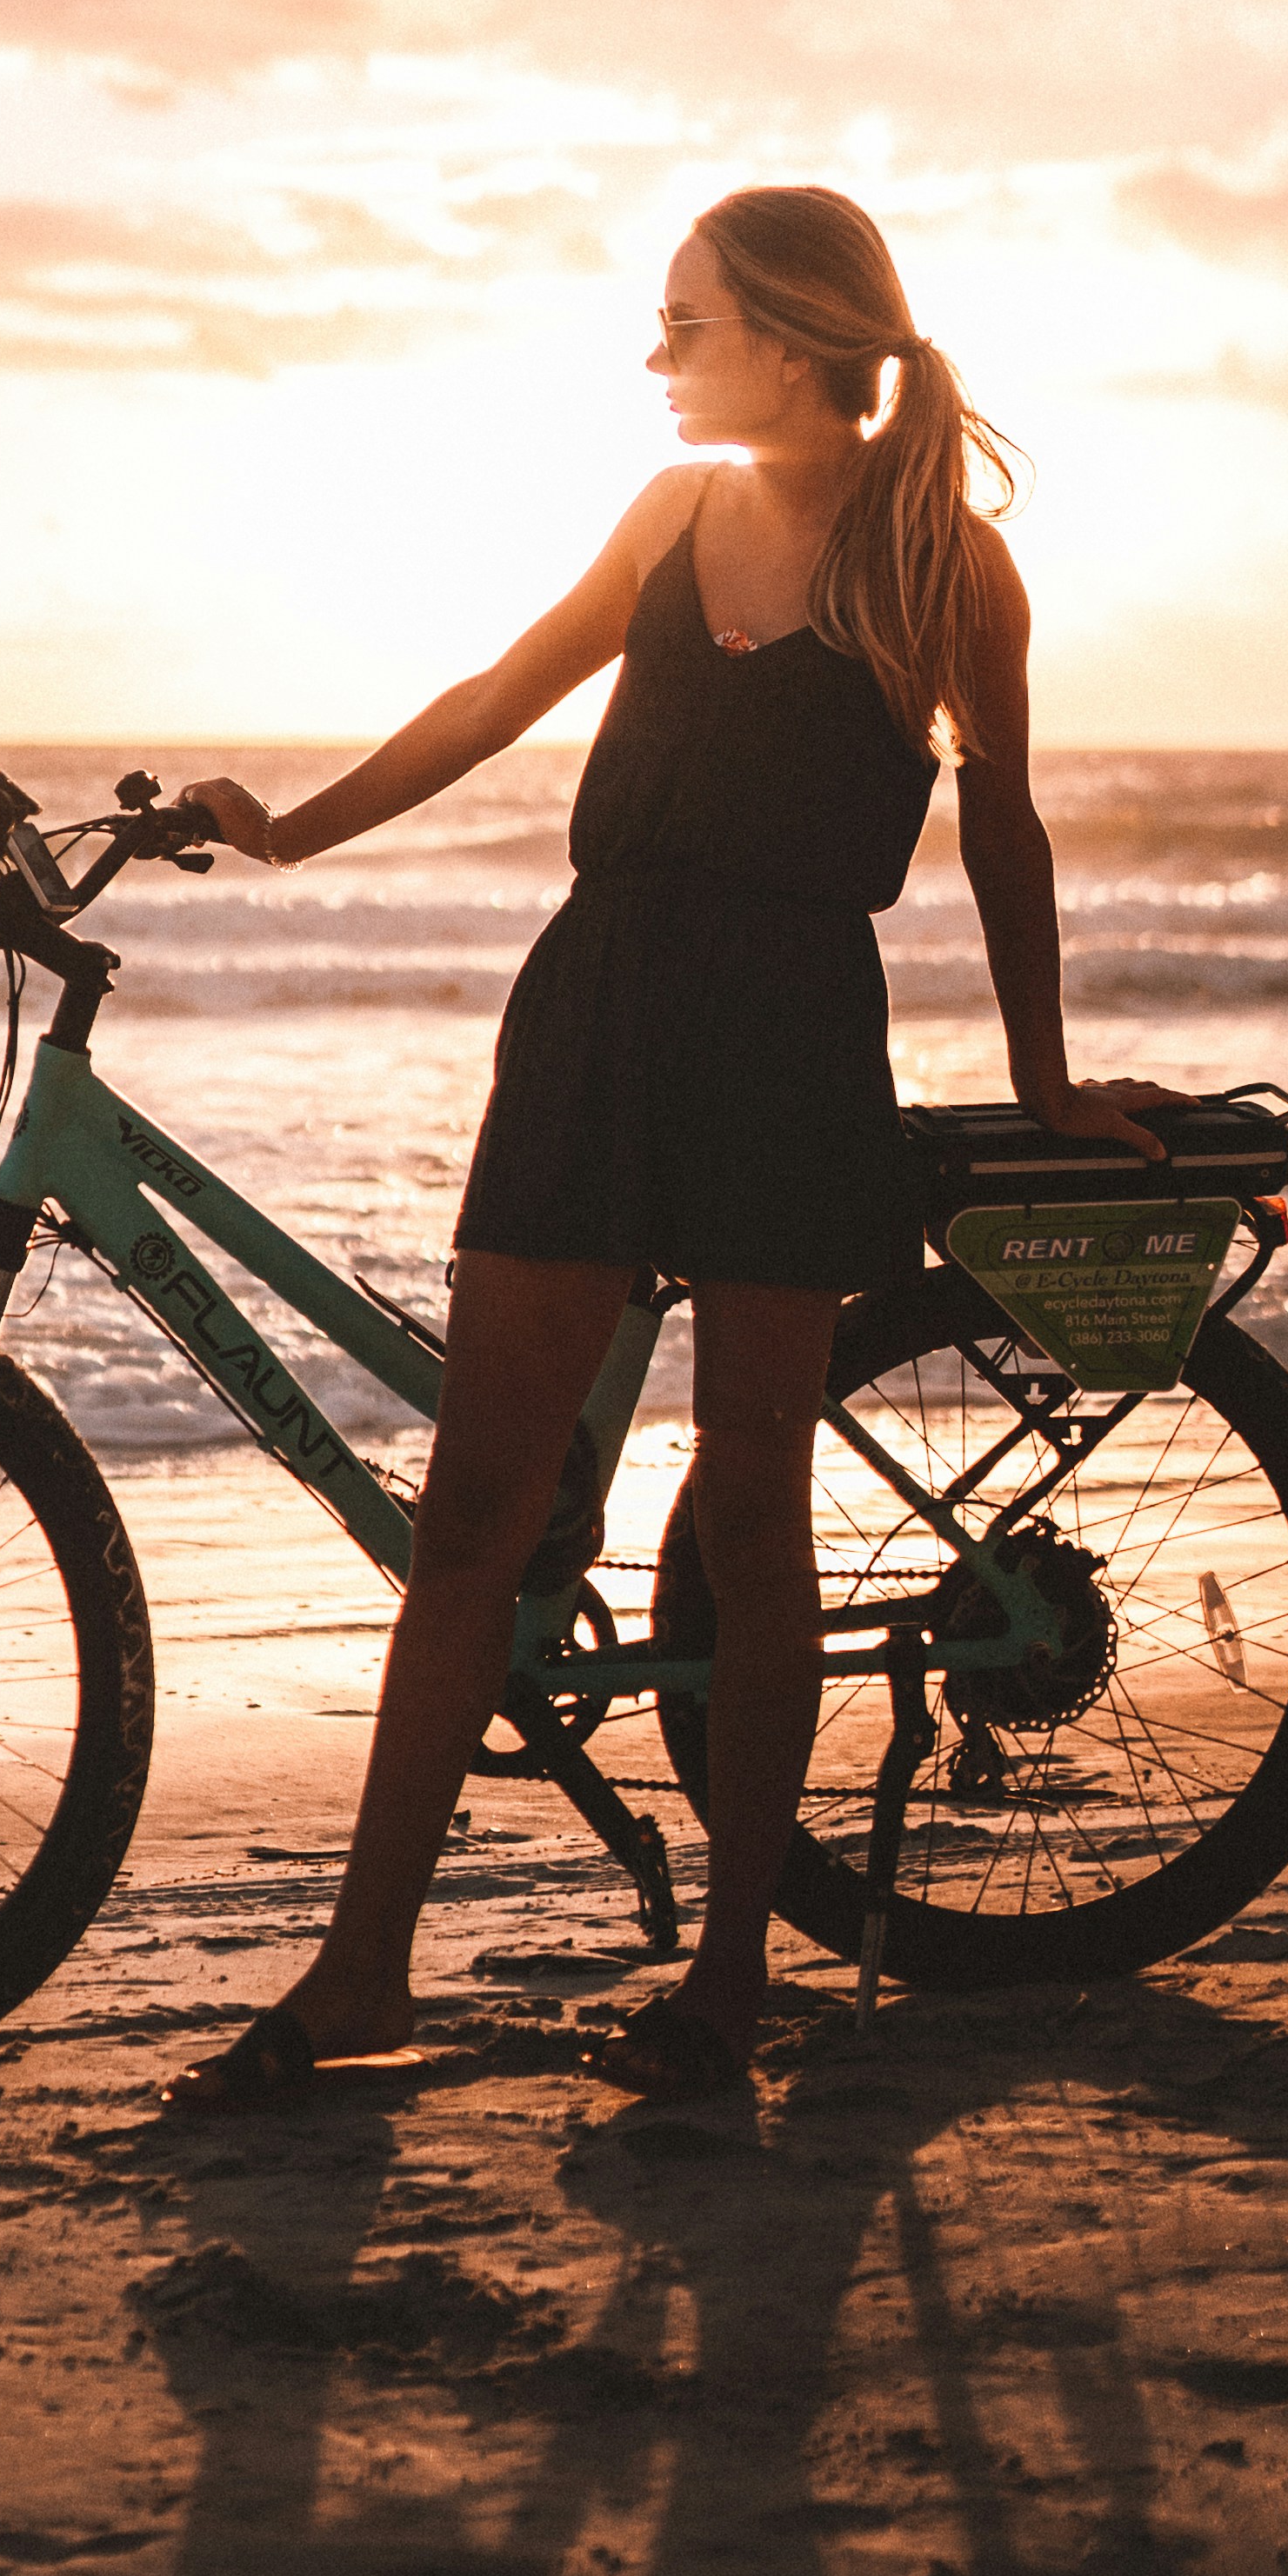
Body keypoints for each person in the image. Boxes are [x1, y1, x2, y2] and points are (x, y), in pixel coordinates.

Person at [164, 179, 1164, 2109]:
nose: (653, 353)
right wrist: (288, 830)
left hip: (790, 1036)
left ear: (786, 335)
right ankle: (363, 1967)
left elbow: (1007, 828)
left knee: (753, 1516)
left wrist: (1045, 1082)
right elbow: (493, 697)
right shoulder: (667, 515)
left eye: (683, 320)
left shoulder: (949, 567)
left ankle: (725, 1980)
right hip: (598, 1009)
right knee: (477, 1510)